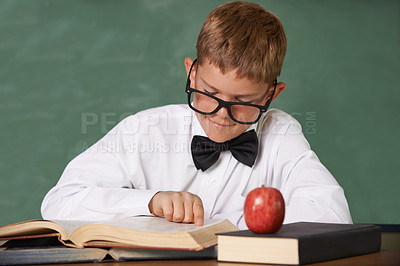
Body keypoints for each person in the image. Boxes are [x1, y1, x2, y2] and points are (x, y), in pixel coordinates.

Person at [41, 1, 352, 229]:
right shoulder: (144, 130)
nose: (221, 114)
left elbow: (333, 215)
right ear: (191, 74)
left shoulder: (281, 134)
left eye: (242, 101)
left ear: (271, 95)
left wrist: (228, 223)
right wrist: (150, 202)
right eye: (210, 93)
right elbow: (59, 202)